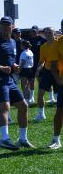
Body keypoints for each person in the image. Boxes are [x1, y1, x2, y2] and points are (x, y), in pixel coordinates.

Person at [0, 16, 34, 150]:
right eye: (2, 25)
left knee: (23, 106)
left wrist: (14, 66)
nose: (5, 27)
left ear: (12, 27)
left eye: (7, 25)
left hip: (9, 79)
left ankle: (23, 139)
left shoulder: (13, 42)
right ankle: (4, 139)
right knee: (5, 107)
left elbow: (9, 61)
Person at [34, 27, 58, 122]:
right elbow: (41, 61)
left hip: (59, 72)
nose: (48, 34)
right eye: (46, 33)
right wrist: (38, 70)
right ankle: (41, 114)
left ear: (54, 33)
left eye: (50, 32)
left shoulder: (59, 43)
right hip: (47, 72)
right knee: (40, 95)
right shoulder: (43, 46)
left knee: (59, 97)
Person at [48, 19, 63, 149]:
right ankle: (56, 140)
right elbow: (53, 66)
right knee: (60, 111)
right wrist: (58, 80)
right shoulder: (58, 43)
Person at [28, 25, 47, 103]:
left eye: (34, 31)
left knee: (41, 80)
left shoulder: (42, 40)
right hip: (32, 63)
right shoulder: (29, 41)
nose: (33, 32)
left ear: (37, 32)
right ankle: (32, 97)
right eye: (32, 31)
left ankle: (51, 96)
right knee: (32, 80)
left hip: (41, 62)